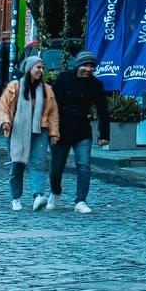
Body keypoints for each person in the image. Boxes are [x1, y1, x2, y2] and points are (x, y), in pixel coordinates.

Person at [48, 53, 112, 213]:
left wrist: (104, 135)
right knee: (56, 168)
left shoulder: (95, 85)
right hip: (61, 130)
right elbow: (51, 102)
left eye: (91, 66)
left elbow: (103, 110)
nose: (88, 69)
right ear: (78, 65)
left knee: (84, 165)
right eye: (85, 65)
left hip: (82, 130)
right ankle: (55, 192)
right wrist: (49, 127)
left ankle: (80, 201)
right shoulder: (64, 78)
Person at [0, 58, 60, 212]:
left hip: (39, 130)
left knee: (38, 163)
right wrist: (5, 121)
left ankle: (38, 196)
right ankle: (16, 198)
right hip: (17, 131)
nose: (41, 70)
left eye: (42, 68)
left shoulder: (46, 89)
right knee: (17, 165)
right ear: (29, 68)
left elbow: (53, 113)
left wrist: (54, 133)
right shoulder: (15, 86)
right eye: (38, 67)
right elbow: (3, 106)